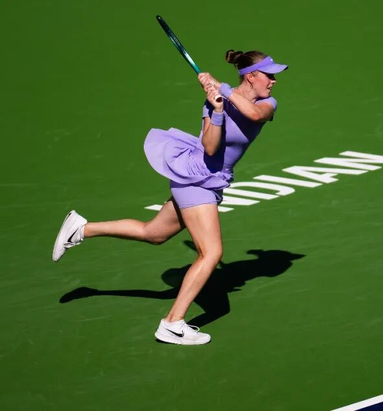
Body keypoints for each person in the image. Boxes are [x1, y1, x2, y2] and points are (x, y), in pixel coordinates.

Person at [51, 50, 288, 345]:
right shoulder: (214, 101)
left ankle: (82, 228)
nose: (274, 81)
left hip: (210, 180)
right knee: (211, 253)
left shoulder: (267, 104)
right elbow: (210, 147)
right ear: (251, 76)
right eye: (269, 75)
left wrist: (223, 89)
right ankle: (172, 323)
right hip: (197, 178)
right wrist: (217, 111)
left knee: (154, 233)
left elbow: (253, 115)